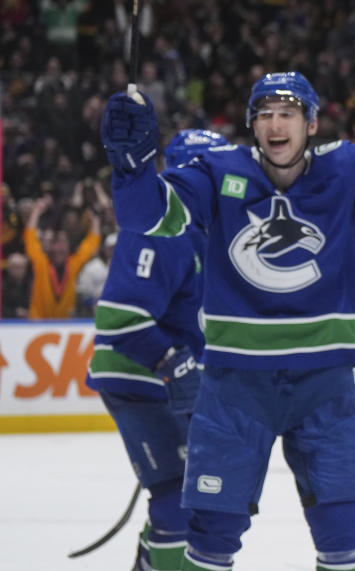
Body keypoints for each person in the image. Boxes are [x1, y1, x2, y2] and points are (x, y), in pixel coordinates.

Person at [99, 47, 355, 571]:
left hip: (324, 385)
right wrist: (131, 166)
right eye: (265, 114)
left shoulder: (349, 167)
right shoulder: (217, 173)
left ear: (311, 122)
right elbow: (144, 215)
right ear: (252, 125)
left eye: (288, 113)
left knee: (345, 530)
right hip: (234, 386)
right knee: (211, 533)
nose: (277, 124)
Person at [85, 129, 226, 571]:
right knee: (176, 503)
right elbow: (120, 321)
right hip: (138, 376)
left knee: (194, 497)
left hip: (169, 382)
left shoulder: (206, 233)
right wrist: (174, 362)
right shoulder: (158, 228)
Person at [22, 194, 101, 318]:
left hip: (64, 325)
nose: (59, 248)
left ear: (68, 248)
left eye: (63, 244)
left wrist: (95, 221)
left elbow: (91, 244)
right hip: (37, 323)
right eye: (56, 243)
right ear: (51, 247)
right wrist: (36, 212)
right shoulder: (41, 262)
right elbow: (30, 238)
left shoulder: (74, 263)